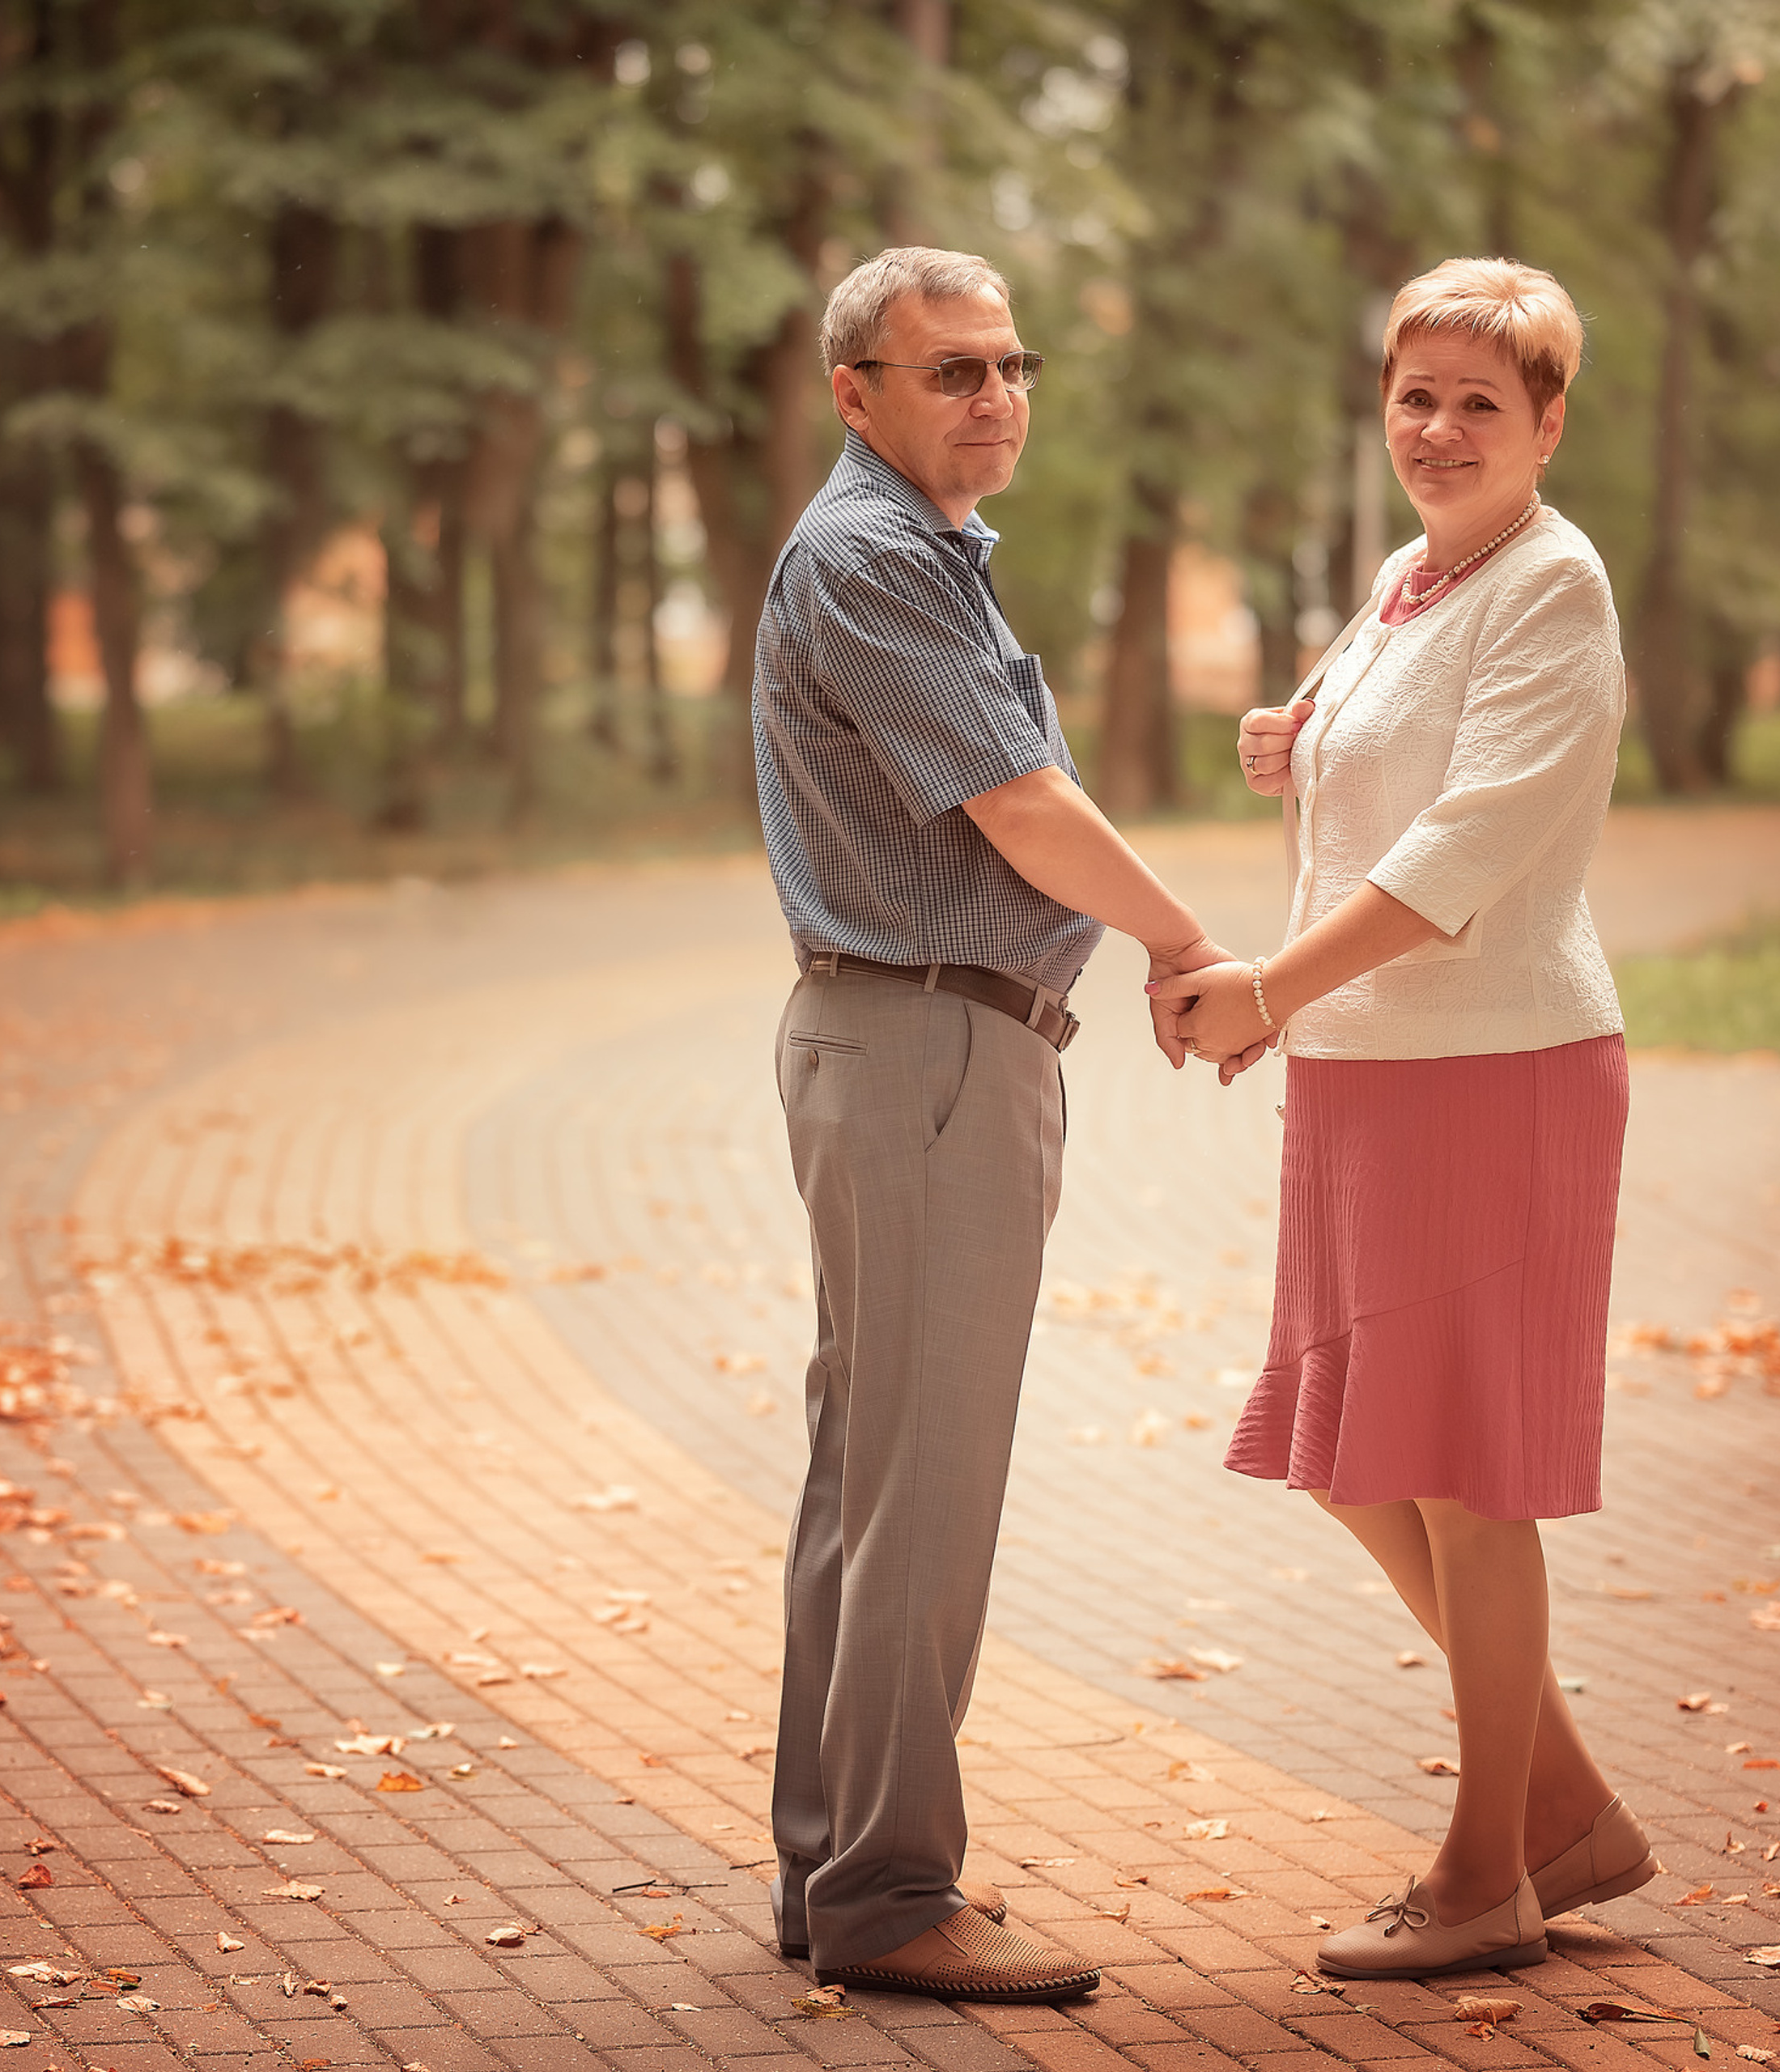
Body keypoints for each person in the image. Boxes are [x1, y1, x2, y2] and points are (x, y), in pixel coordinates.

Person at [1155, 257, 1659, 1981]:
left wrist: (1268, 988)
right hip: (1368, 1073)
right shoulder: (1409, 575)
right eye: (1414, 396)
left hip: (1492, 1071)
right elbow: (1378, 748)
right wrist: (1292, 741)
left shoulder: (1553, 583)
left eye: (1479, 403)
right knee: (1357, 1452)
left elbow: (1462, 851)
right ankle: (1565, 1809)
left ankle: (1484, 1874)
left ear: (1545, 423)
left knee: (1459, 1479)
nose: (1439, 429)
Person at [754, 244, 1246, 2005]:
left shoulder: (917, 551)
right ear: (856, 394)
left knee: (872, 1472)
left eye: (1012, 365)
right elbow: (1025, 806)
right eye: (951, 369)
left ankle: (835, 1867)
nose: (994, 394)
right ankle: (890, 1890)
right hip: (929, 1055)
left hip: (918, 1045)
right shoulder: (873, 556)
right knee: (921, 1486)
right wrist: (1185, 944)